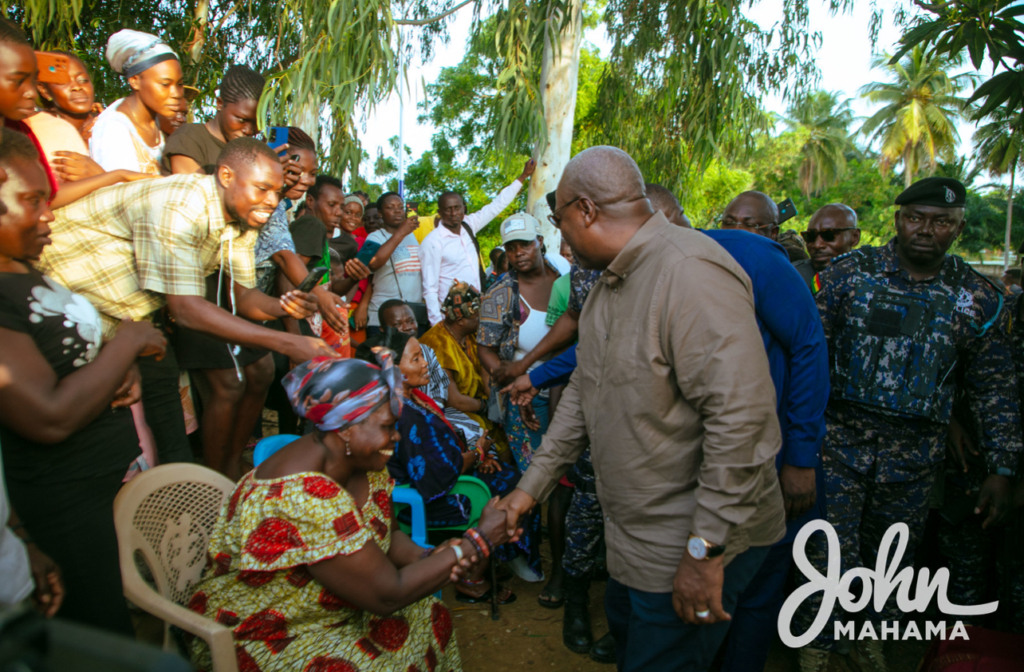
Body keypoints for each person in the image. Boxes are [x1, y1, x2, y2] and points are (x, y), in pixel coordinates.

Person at [497, 146, 786, 672]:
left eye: (561, 221)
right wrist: (526, 492)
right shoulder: (610, 284)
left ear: (585, 210)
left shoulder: (689, 273)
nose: (560, 240)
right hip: (632, 541)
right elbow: (584, 394)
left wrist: (705, 552)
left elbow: (742, 424)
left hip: (688, 544)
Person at [794, 177, 1022, 672]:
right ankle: (817, 642)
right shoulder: (848, 275)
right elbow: (807, 360)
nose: (926, 230)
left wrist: (1002, 468)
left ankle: (868, 640)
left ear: (958, 228)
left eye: (941, 222)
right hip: (838, 443)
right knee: (825, 547)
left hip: (917, 456)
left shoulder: (978, 298)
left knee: (891, 558)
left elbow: (994, 388)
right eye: (915, 218)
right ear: (898, 220)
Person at [188, 354, 516, 672]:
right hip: (269, 631)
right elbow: (387, 595)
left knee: (427, 610)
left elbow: (388, 534)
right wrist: (477, 541)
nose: (396, 436)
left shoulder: (364, 461)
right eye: (388, 426)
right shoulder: (303, 496)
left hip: (331, 603)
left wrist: (429, 556)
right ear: (345, 428)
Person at [35, 138, 334, 467]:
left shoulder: (244, 217)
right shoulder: (180, 204)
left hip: (130, 320)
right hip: (61, 299)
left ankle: (195, 498)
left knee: (168, 439)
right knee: (85, 440)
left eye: (276, 192)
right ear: (225, 175)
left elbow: (239, 295)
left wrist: (282, 307)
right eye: (263, 189)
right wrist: (289, 342)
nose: (271, 201)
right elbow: (186, 308)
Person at [646, 183, 830, 672]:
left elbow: (810, 347)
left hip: (766, 459)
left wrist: (800, 459)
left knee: (755, 584)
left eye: (751, 224)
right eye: (731, 221)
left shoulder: (751, 255)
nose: (739, 230)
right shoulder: (647, 269)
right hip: (704, 461)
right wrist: (532, 374)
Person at [0, 128, 167, 635]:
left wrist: (123, 369)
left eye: (48, 200)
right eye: (32, 201)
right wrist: (128, 342)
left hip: (99, 485)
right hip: (61, 499)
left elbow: (70, 360)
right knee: (101, 635)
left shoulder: (25, 271)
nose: (49, 215)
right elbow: (48, 416)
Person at [357, 328, 541, 600]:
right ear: (393, 371)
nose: (425, 363)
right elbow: (437, 475)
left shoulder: (413, 399)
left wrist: (479, 455)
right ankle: (473, 577)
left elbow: (442, 449)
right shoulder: (404, 415)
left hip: (448, 476)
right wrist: (477, 456)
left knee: (512, 477)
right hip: (428, 497)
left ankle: (493, 555)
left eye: (423, 356)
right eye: (416, 359)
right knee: (515, 488)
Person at [420, 158, 536, 325]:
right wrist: (437, 324)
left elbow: (496, 205)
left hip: (476, 311)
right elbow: (429, 289)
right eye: (448, 209)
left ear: (463, 209)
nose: (453, 213)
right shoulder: (433, 242)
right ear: (440, 212)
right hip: (451, 317)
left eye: (457, 208)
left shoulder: (469, 225)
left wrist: (523, 177)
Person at [419, 283, 509, 453]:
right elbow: (454, 400)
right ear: (460, 321)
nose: (483, 319)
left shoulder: (472, 335)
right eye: (478, 316)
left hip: (477, 404)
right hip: (454, 411)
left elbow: (486, 376)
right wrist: (486, 407)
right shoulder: (438, 343)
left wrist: (497, 410)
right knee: (481, 430)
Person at [90, 29, 184, 175]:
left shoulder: (158, 123)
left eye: (179, 84)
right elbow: (120, 191)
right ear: (135, 81)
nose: (176, 94)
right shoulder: (114, 128)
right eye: (165, 85)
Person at [161, 65, 264, 174]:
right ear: (220, 103)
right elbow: (192, 189)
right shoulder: (187, 137)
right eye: (242, 120)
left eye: (257, 122)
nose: (249, 130)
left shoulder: (249, 151)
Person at [364, 192, 423, 334]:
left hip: (411, 316)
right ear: (380, 213)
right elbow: (373, 264)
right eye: (390, 207)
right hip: (383, 318)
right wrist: (400, 233)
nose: (397, 210)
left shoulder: (412, 236)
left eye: (400, 207)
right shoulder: (373, 237)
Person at [34, 51, 101, 142]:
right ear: (45, 91)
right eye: (63, 82)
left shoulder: (108, 123)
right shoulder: (37, 132)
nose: (76, 87)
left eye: (82, 80)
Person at [795, 203, 861, 289]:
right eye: (810, 236)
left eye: (828, 235)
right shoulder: (792, 276)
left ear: (854, 237)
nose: (817, 245)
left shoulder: (872, 276)